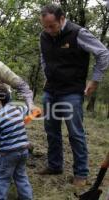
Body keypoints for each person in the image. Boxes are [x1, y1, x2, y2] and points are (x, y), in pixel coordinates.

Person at [38, 4, 109, 186]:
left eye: (51, 26)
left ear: (62, 19)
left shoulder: (78, 33)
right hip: (50, 91)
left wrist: (94, 80)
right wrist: (47, 74)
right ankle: (55, 165)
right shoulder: (44, 36)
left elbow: (103, 53)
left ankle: (81, 174)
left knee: (75, 133)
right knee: (51, 130)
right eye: (44, 26)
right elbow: (44, 57)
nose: (48, 30)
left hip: (71, 92)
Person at [0, 84, 32, 200]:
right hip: (24, 150)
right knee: (21, 176)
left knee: (2, 179)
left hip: (8, 154)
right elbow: (27, 110)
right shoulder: (16, 109)